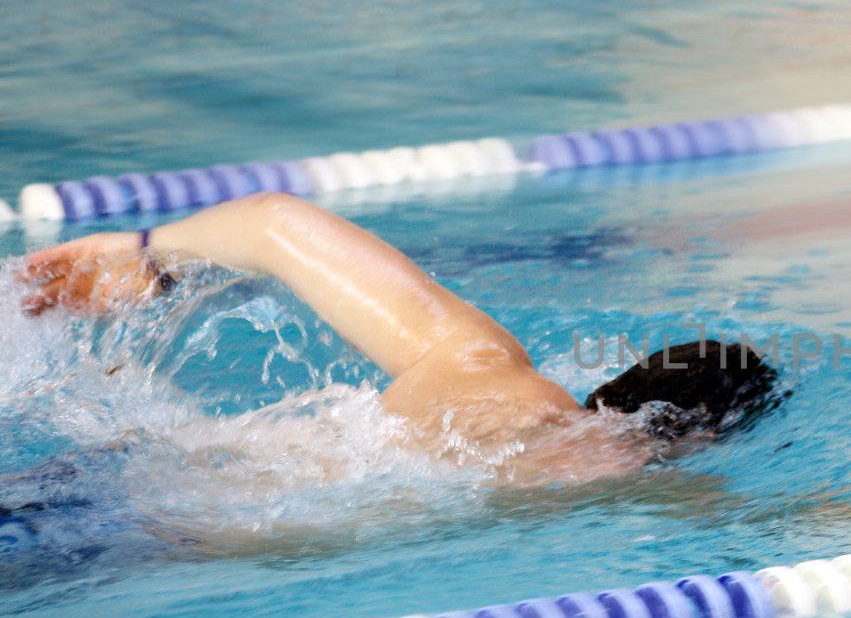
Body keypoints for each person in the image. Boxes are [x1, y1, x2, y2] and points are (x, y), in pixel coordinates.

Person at [15, 193, 780, 487]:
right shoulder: (613, 460)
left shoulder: (481, 363)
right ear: (704, 432)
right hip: (164, 518)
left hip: (118, 467)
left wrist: (146, 252)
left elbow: (278, 223)